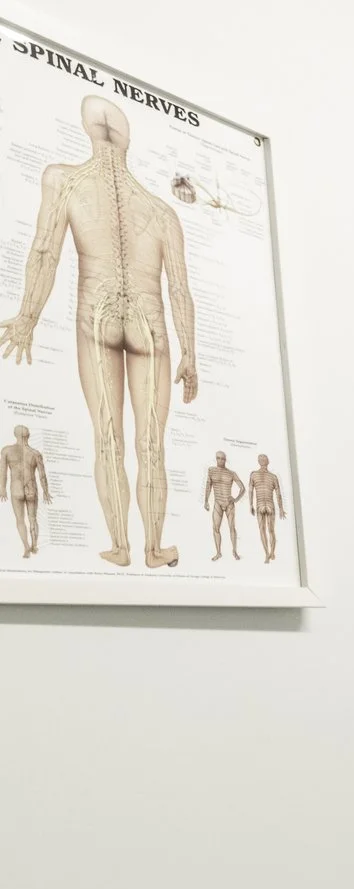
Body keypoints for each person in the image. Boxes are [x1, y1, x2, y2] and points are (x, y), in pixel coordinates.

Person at [0, 95, 198, 570]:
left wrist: (28, 316)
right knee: (151, 443)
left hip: (99, 313)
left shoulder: (65, 180)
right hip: (150, 323)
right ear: (128, 140)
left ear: (88, 131)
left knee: (108, 436)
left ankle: (122, 546)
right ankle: (153, 548)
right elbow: (179, 293)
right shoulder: (160, 211)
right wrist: (190, 351)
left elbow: (45, 251)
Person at [2, 425, 48, 557]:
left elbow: (3, 472)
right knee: (33, 519)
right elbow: (42, 475)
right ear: (28, 436)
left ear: (15, 435)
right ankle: (34, 546)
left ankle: (26, 546)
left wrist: (2, 489)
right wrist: (45, 491)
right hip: (31, 488)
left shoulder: (6, 451)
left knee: (20, 519)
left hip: (16, 489)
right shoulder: (35, 453)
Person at [202, 449, 242, 559]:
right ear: (216, 459)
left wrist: (236, 499)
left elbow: (242, 488)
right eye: (218, 458)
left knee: (232, 528)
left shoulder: (231, 473)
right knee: (215, 528)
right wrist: (206, 501)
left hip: (229, 503)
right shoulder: (211, 470)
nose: (220, 460)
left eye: (223, 458)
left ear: (225, 460)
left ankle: (234, 551)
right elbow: (208, 486)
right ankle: (218, 553)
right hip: (217, 503)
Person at [247, 453, 285, 562]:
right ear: (267, 462)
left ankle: (267, 554)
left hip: (260, 505)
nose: (263, 461)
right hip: (269, 504)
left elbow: (250, 491)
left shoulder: (253, 475)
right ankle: (271, 553)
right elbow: (278, 494)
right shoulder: (273, 477)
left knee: (262, 530)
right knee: (271, 530)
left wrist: (250, 505)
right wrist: (281, 508)